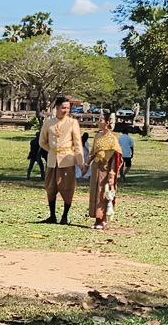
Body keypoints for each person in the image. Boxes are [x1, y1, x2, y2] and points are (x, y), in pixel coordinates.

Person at [39, 96, 85, 224]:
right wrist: (52, 151)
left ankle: (65, 216)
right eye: (63, 108)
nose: (66, 110)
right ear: (57, 108)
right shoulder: (48, 123)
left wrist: (80, 162)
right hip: (52, 161)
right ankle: (52, 216)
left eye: (68, 108)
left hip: (67, 160)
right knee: (50, 187)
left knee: (67, 188)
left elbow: (77, 144)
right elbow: (42, 142)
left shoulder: (72, 123)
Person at [87, 111, 125, 230]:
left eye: (101, 120)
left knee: (103, 192)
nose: (99, 122)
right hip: (96, 167)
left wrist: (112, 173)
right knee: (95, 191)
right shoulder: (97, 136)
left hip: (105, 168)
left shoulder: (112, 139)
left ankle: (103, 219)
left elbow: (115, 157)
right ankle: (97, 218)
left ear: (107, 122)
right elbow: (93, 152)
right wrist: (86, 164)